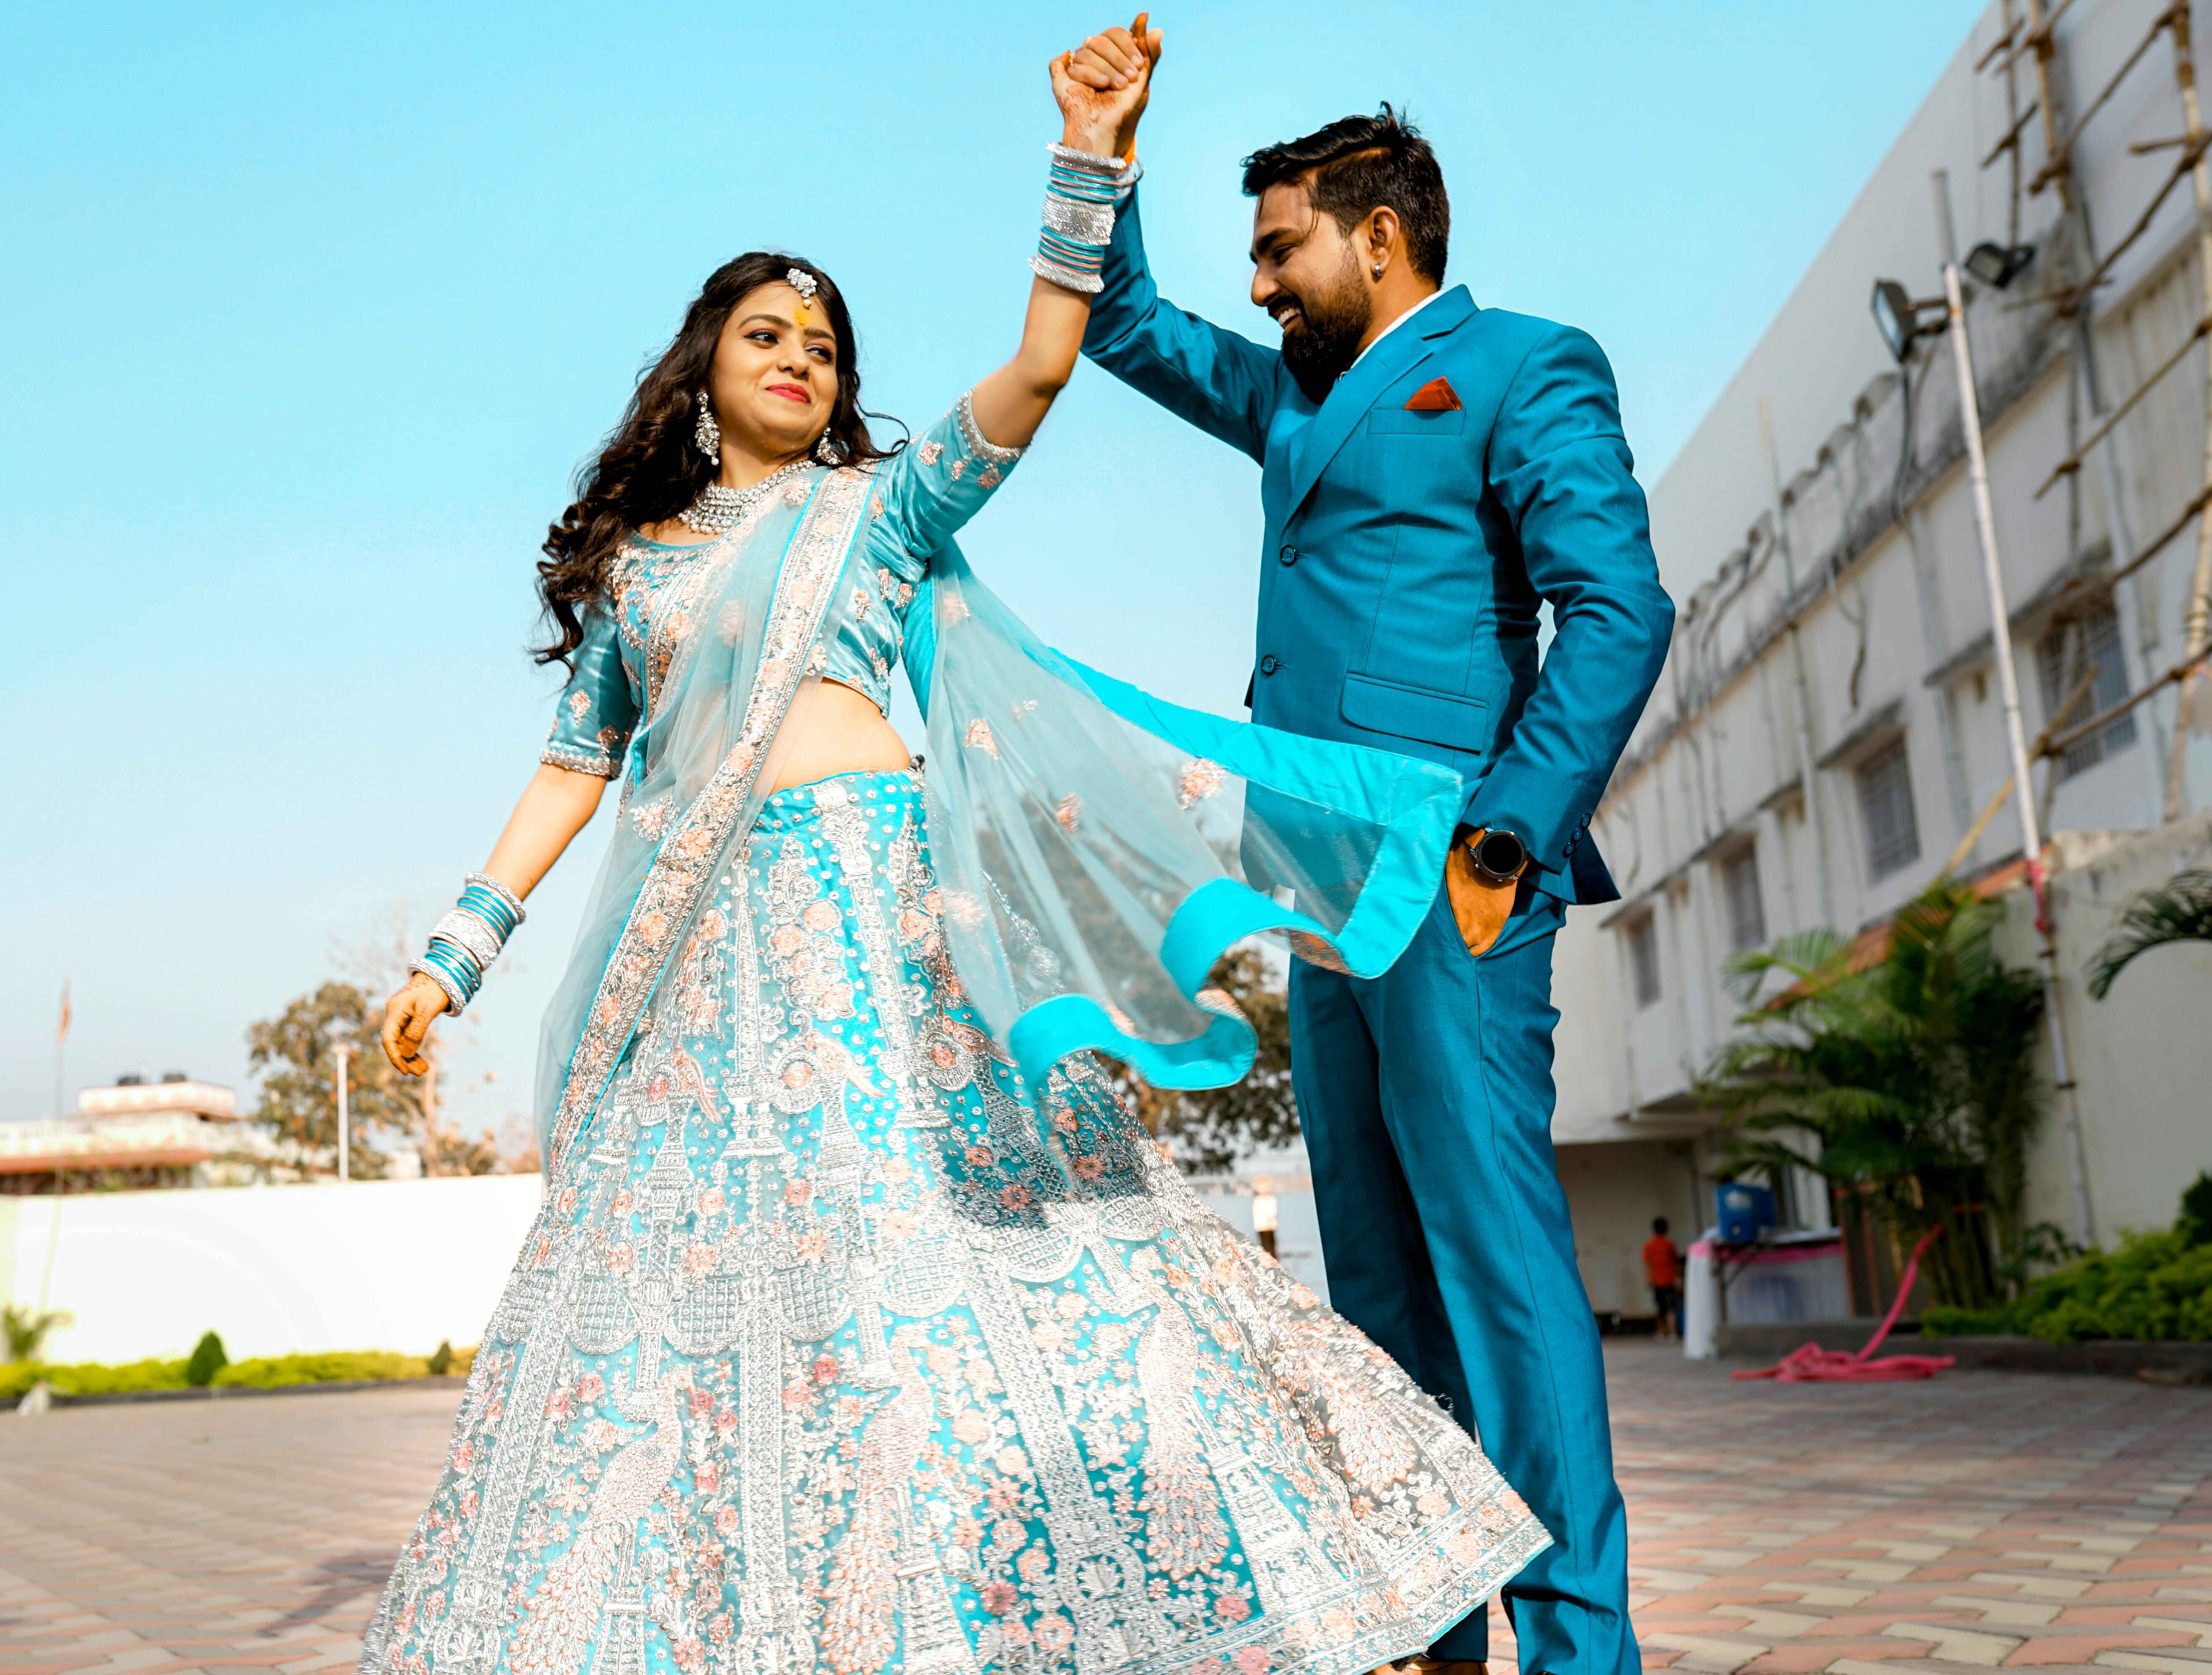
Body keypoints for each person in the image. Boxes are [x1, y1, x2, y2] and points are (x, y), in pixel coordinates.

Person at [355, 25, 1549, 1675]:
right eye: (768, 333)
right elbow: (580, 766)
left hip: (882, 924)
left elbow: (1047, 369)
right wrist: (450, 957)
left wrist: (1090, 154)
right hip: (708, 972)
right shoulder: (637, 571)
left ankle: (1272, 1578)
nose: (804, 358)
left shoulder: (886, 509)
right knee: (716, 1318)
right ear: (701, 368)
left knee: (1029, 1263)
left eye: (828, 342)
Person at [1065, 24, 1676, 1675]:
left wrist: (1500, 836)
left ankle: (1577, 1647)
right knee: (1378, 1278)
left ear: (1379, 231)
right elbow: (1118, 321)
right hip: (1318, 884)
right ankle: (1427, 1624)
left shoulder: (1521, 365)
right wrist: (1101, 150)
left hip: (1452, 867)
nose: (1258, 283)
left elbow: (1618, 609)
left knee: (1494, 1259)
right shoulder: (1294, 400)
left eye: (1279, 246)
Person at [1644, 1218, 1684, 1341]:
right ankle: (1673, 1332)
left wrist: (1648, 1280)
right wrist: (1678, 1278)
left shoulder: (1650, 1245)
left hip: (1657, 1280)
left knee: (1660, 1307)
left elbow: (1648, 1265)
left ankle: (1662, 1332)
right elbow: (1676, 1263)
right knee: (1671, 1307)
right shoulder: (1670, 1245)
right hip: (1670, 1280)